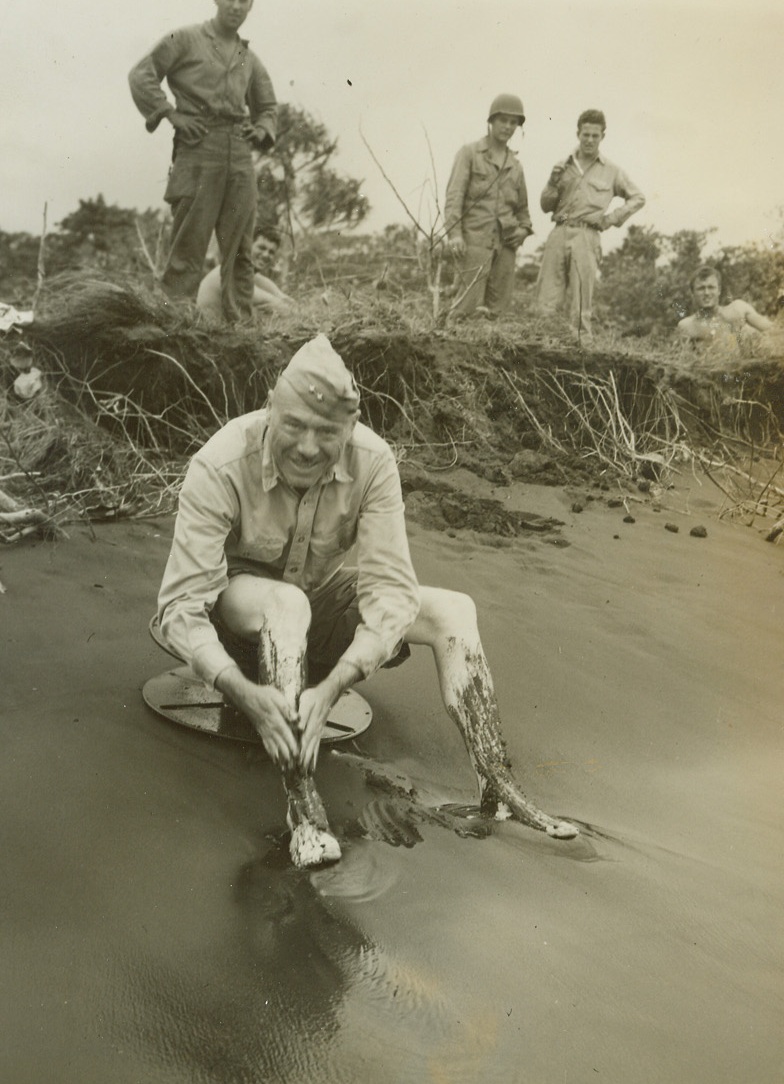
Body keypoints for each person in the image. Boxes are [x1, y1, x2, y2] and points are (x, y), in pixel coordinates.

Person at [157, 334, 578, 868]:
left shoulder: (374, 461)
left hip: (314, 615)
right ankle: (304, 811)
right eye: (294, 425)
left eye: (327, 433)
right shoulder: (221, 462)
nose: (307, 447)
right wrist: (240, 689)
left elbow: (390, 594)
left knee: (454, 610)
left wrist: (334, 685)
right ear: (269, 409)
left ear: (350, 429)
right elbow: (179, 607)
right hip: (235, 624)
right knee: (287, 603)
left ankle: (499, 789)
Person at [129, 0, 277, 323]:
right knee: (188, 246)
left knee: (241, 251)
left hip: (239, 154)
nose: (235, 6)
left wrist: (261, 130)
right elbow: (141, 74)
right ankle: (174, 326)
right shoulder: (185, 39)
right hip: (198, 147)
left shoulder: (247, 57)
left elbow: (267, 106)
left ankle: (240, 332)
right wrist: (170, 114)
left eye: (244, 1)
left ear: (251, 6)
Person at [537, 109, 645, 338]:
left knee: (580, 304)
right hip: (559, 231)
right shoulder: (563, 165)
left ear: (602, 137)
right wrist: (552, 182)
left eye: (595, 136)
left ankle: (581, 349)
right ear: (578, 134)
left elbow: (638, 198)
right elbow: (546, 206)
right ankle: (543, 344)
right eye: (585, 134)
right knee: (547, 301)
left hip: (587, 236)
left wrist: (610, 220)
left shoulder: (612, 171)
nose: (589, 140)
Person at [444, 94, 532, 318]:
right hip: (474, 242)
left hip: (506, 246)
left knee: (497, 313)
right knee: (465, 309)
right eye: (503, 120)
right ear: (491, 121)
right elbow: (454, 197)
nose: (508, 127)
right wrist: (455, 234)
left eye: (513, 122)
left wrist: (523, 230)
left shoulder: (516, 166)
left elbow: (523, 211)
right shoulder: (469, 154)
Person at [196, 227, 293, 321]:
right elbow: (280, 306)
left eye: (271, 252)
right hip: (209, 328)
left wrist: (284, 301)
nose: (266, 255)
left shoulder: (248, 274)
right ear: (248, 247)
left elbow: (286, 300)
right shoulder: (232, 272)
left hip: (222, 327)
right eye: (261, 248)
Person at [678, 265, 772, 350]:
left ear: (719, 290)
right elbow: (686, 361)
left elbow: (773, 331)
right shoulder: (688, 326)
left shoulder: (737, 309)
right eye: (701, 288)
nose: (706, 293)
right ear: (692, 293)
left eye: (711, 287)